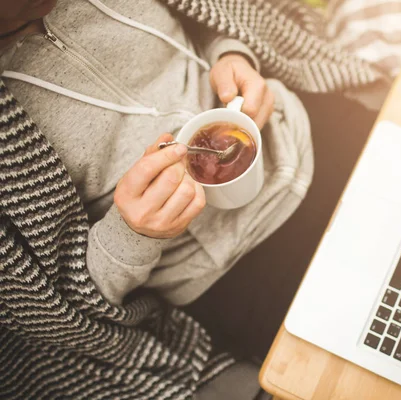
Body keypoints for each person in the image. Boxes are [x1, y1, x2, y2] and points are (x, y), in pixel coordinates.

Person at [0, 0, 328, 398]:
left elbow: (208, 14)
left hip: (304, 131)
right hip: (228, 272)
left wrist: (229, 52)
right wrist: (131, 233)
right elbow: (55, 308)